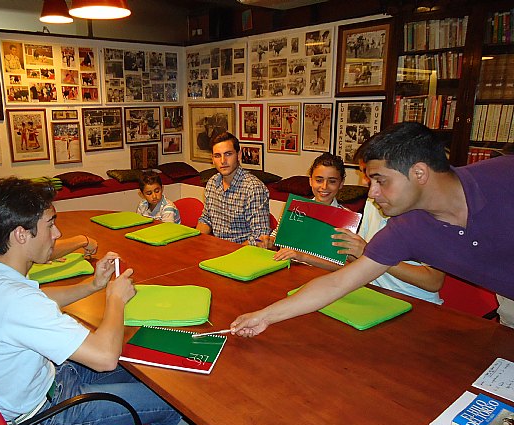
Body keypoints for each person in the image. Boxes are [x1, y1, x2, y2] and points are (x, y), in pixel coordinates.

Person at [0, 178, 181, 425]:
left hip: (46, 385)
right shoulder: (14, 300)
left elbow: (37, 299)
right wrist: (114, 298)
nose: (57, 234)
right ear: (21, 234)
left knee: (152, 372)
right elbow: (105, 356)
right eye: (50, 224)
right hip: (41, 424)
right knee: (172, 402)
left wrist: (94, 285)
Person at [231, 122, 514, 336]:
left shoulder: (504, 177)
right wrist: (265, 317)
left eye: (380, 180)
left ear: (418, 173)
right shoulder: (406, 228)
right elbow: (338, 282)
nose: (372, 193)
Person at [273, 149, 444, 305]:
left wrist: (371, 252)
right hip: (372, 292)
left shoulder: (432, 214)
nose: (367, 186)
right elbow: (355, 261)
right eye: (366, 176)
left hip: (413, 301)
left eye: (376, 178)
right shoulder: (371, 203)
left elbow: (433, 281)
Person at [197, 132, 270, 245]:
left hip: (243, 254)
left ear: (239, 155)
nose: (223, 161)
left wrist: (231, 252)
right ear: (212, 159)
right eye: (217, 155)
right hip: (218, 250)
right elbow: (206, 219)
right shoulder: (212, 183)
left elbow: (260, 236)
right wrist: (196, 241)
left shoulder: (253, 188)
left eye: (228, 154)